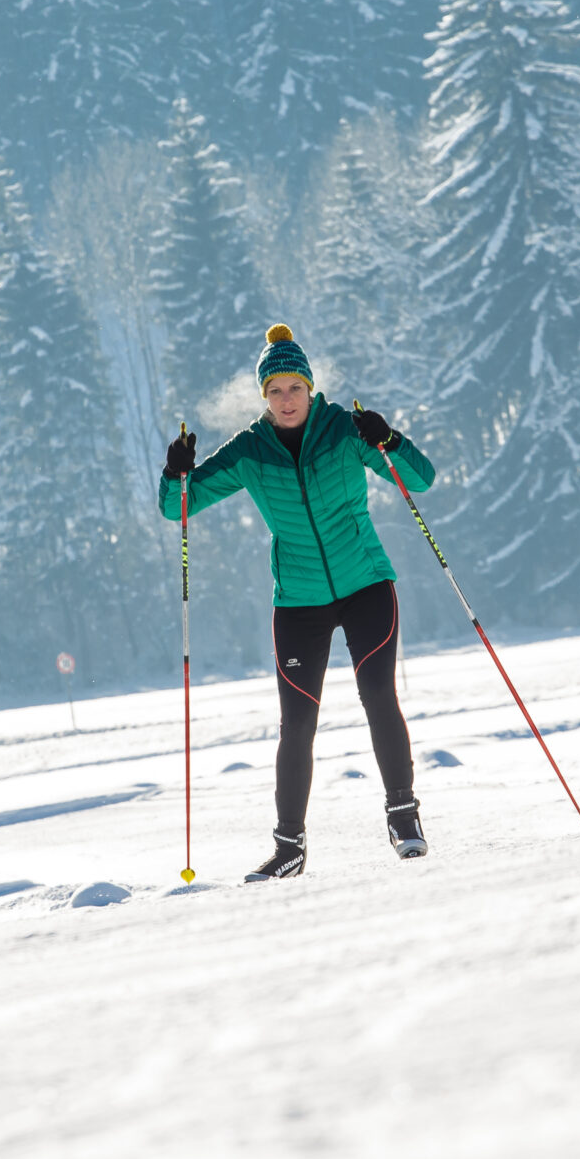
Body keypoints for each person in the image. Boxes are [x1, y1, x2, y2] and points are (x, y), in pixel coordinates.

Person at [162, 324, 435, 882]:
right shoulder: (249, 451)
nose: (285, 400)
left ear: (311, 387)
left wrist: (390, 439)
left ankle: (403, 817)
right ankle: (290, 848)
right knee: (297, 723)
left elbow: (421, 480)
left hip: (365, 584)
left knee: (379, 693)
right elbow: (179, 508)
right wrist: (176, 472)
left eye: (294, 388)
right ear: (263, 397)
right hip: (299, 602)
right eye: (274, 391)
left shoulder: (345, 430)